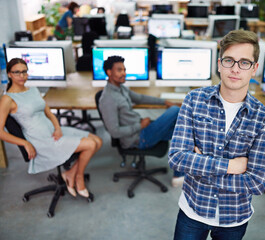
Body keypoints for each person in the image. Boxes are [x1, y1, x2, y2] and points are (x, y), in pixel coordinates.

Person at [168, 30, 265, 240]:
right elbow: (177, 158)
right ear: (219, 64)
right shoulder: (194, 100)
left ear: (254, 69)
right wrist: (230, 166)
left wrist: (199, 165)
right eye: (229, 60)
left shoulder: (264, 118)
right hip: (192, 209)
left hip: (234, 217)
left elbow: (257, 182)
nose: (235, 69)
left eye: (244, 62)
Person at [0, 58, 102, 198]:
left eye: (24, 72)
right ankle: (78, 179)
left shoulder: (32, 89)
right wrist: (25, 143)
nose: (22, 76)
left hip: (53, 132)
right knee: (90, 144)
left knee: (98, 140)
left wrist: (57, 128)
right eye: (17, 72)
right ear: (9, 74)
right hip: (41, 141)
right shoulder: (7, 99)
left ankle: (69, 174)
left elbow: (48, 112)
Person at [98, 56, 185, 187]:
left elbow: (140, 98)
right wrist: (140, 125)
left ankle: (178, 176)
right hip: (137, 138)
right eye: (119, 70)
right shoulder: (108, 99)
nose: (124, 73)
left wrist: (164, 102)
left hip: (143, 130)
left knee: (182, 132)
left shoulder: (121, 88)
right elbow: (114, 132)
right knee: (174, 111)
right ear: (109, 72)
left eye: (124, 69)